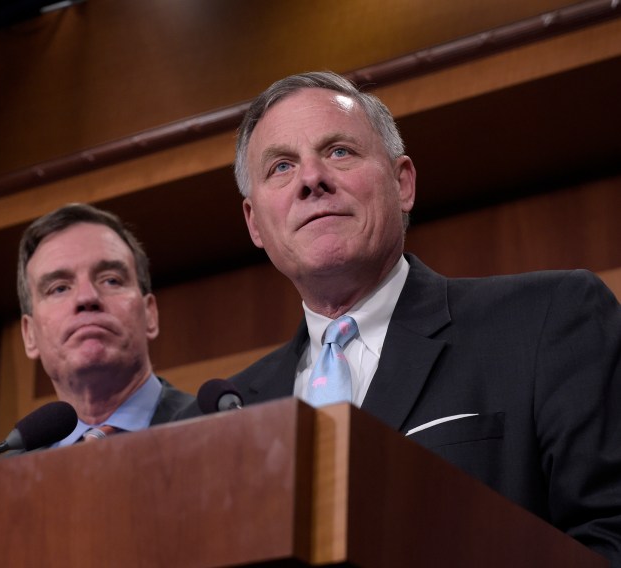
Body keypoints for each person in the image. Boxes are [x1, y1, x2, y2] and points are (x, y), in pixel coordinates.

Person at [186, 71, 621, 563]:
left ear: (402, 182)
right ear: (254, 224)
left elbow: (611, 534)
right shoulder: (225, 412)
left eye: (338, 152)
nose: (311, 179)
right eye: (281, 166)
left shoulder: (549, 319)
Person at [17, 203, 193, 445]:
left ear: (150, 314)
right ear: (30, 336)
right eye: (59, 288)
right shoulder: (3, 477)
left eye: (111, 280)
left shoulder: (221, 427)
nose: (87, 298)